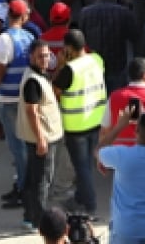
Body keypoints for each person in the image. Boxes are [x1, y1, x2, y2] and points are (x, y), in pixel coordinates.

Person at [97, 111, 145, 244]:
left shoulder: (122, 155)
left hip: (127, 228)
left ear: (136, 130)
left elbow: (98, 151)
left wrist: (120, 125)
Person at [52, 29, 105, 217]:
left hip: (76, 126)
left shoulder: (69, 70)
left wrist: (61, 64)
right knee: (87, 165)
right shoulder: (97, 60)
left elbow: (54, 92)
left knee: (81, 167)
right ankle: (81, 197)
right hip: (95, 121)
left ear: (68, 48)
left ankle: (88, 205)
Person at [0, 0, 36, 208]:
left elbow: (0, 70)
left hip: (9, 98)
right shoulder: (29, 37)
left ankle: (23, 189)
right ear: (24, 16)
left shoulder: (4, 39)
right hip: (25, 97)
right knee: (23, 146)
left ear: (9, 15)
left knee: (17, 147)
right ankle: (22, 184)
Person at [18, 39, 64, 230]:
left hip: (41, 137)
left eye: (46, 55)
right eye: (40, 56)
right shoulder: (33, 81)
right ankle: (40, 221)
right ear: (31, 57)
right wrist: (41, 139)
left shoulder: (39, 75)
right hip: (42, 138)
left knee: (33, 178)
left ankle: (30, 216)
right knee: (42, 181)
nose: (44, 59)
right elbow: (32, 111)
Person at [76, 0, 139, 96]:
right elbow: (135, 36)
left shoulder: (85, 13)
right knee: (116, 99)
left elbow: (81, 39)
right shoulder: (124, 13)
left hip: (92, 67)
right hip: (117, 67)